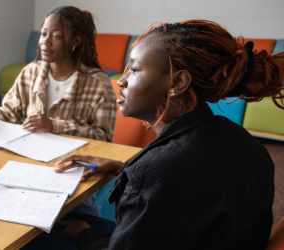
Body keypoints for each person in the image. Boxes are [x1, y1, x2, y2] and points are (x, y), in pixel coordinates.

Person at [49, 20, 283, 250]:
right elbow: (191, 187)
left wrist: (86, 234)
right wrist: (121, 168)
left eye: (134, 69)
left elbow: (167, 183)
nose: (121, 80)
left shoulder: (155, 175)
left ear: (178, 82)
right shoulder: (244, 141)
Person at [0, 6, 117, 142]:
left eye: (56, 36)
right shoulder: (30, 72)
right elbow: (10, 114)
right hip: (30, 155)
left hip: (71, 164)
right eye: (43, 34)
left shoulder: (98, 83)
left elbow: (103, 137)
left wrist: (53, 125)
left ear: (76, 41)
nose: (45, 42)